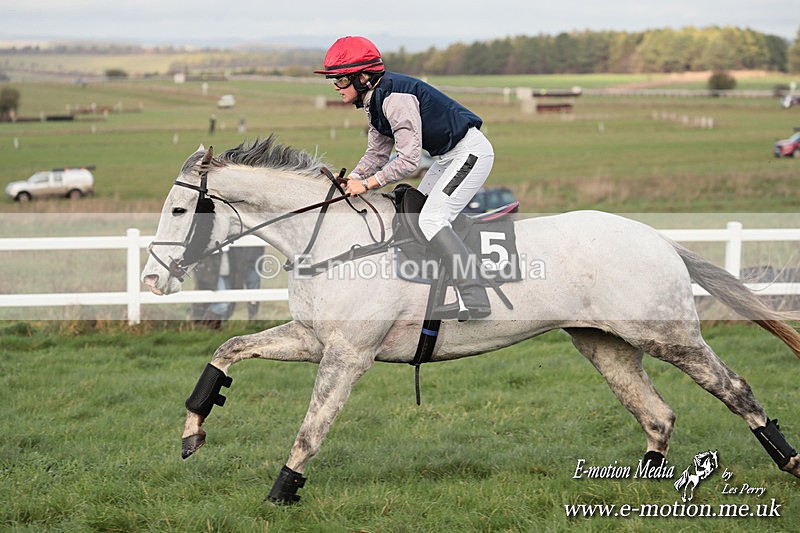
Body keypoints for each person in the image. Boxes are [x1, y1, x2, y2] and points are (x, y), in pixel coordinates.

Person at [315, 36, 494, 319]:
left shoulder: (394, 99)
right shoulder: (374, 101)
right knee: (415, 216)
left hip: (469, 154)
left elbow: (409, 159)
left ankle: (475, 297)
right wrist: (355, 178)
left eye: (339, 80)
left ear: (362, 77)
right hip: (448, 157)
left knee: (431, 219)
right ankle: (437, 286)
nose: (336, 88)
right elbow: (377, 152)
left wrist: (369, 184)